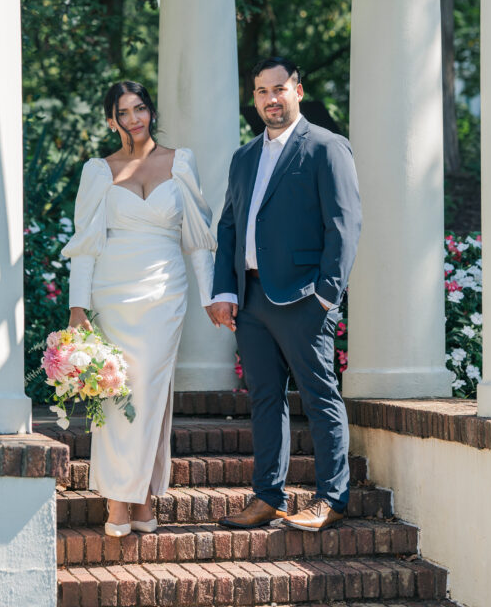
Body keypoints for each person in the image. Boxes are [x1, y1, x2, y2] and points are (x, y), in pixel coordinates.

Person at [208, 57, 361, 532]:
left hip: (303, 298)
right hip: (250, 299)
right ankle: (268, 497)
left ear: (297, 89)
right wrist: (225, 290)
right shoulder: (243, 156)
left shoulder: (326, 147)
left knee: (319, 396)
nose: (271, 99)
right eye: (261, 91)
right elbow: (229, 226)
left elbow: (344, 224)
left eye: (279, 88)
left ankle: (331, 497)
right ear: (253, 98)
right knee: (265, 399)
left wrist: (326, 294)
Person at [63, 80, 215, 537]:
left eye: (140, 109)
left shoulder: (180, 162)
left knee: (149, 392)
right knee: (115, 395)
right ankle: (128, 501)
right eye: (124, 113)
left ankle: (135, 496)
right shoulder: (99, 171)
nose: (134, 119)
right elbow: (85, 247)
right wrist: (78, 308)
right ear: (111, 120)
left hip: (165, 294)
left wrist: (213, 299)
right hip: (113, 291)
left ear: (151, 111)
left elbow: (197, 240)